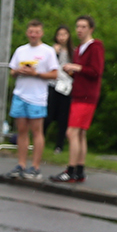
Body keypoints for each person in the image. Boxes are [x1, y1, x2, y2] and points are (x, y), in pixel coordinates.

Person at [4, 20, 60, 179]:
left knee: (37, 131)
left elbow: (55, 74)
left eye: (36, 32)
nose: (33, 35)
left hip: (37, 97)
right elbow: (12, 71)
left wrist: (36, 74)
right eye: (31, 32)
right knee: (21, 131)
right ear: (27, 33)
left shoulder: (48, 51)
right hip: (20, 94)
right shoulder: (21, 50)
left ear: (41, 33)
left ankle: (35, 166)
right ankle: (21, 164)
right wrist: (19, 71)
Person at [52, 15, 104, 183]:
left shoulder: (95, 46)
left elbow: (96, 71)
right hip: (79, 92)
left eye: (83, 27)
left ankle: (71, 169)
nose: (79, 30)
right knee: (80, 133)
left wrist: (77, 67)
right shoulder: (79, 48)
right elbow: (82, 73)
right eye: (78, 27)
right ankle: (79, 170)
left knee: (72, 132)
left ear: (91, 29)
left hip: (87, 95)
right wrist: (72, 71)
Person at [46, 24, 73, 156]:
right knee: (48, 115)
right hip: (53, 84)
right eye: (59, 35)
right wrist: (55, 53)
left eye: (64, 34)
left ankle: (59, 145)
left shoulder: (73, 51)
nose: (62, 37)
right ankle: (40, 140)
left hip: (66, 85)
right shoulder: (51, 50)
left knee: (64, 117)